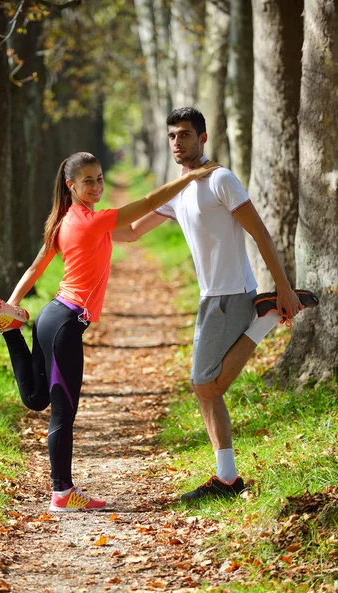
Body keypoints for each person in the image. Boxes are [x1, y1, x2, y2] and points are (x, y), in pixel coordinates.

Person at [0, 151, 218, 512]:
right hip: (64, 326)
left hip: (49, 318)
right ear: (71, 185)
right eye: (88, 180)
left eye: (100, 178)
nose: (97, 185)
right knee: (63, 411)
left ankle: (11, 330)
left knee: (36, 399)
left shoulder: (65, 221)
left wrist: (13, 304)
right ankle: (62, 492)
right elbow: (146, 202)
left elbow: (133, 232)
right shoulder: (91, 221)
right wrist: (187, 179)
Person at [112, 107, 318, 502]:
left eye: (185, 135)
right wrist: (84, 225)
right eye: (172, 135)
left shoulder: (220, 179)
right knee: (205, 387)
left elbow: (261, 234)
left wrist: (284, 288)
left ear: (203, 138)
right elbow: (134, 232)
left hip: (232, 293)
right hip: (210, 297)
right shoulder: (180, 188)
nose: (177, 142)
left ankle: (267, 316)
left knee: (205, 384)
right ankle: (227, 477)